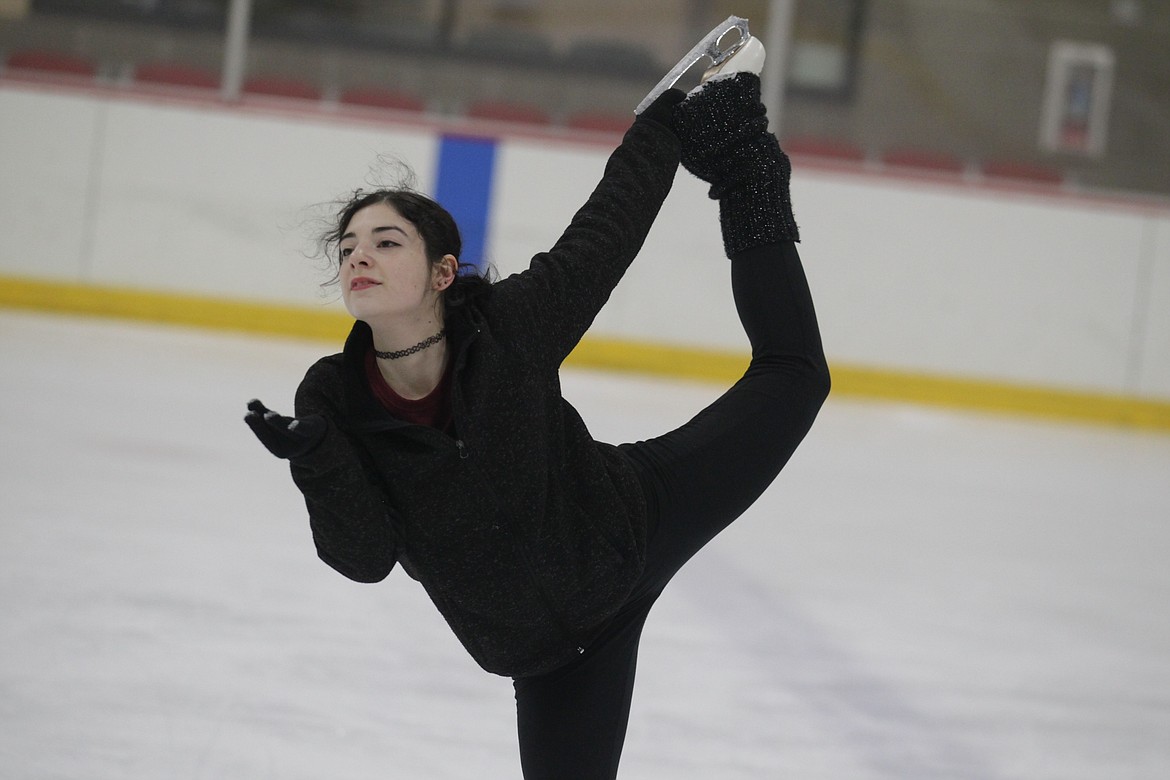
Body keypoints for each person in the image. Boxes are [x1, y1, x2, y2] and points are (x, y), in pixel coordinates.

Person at [245, 38, 829, 780]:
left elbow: (603, 237)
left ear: (440, 272)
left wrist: (664, 123)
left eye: (385, 242)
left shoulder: (508, 327)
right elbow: (362, 560)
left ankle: (743, 157)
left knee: (796, 377)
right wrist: (319, 462)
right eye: (349, 246)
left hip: (633, 521)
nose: (359, 256)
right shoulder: (333, 398)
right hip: (553, 659)